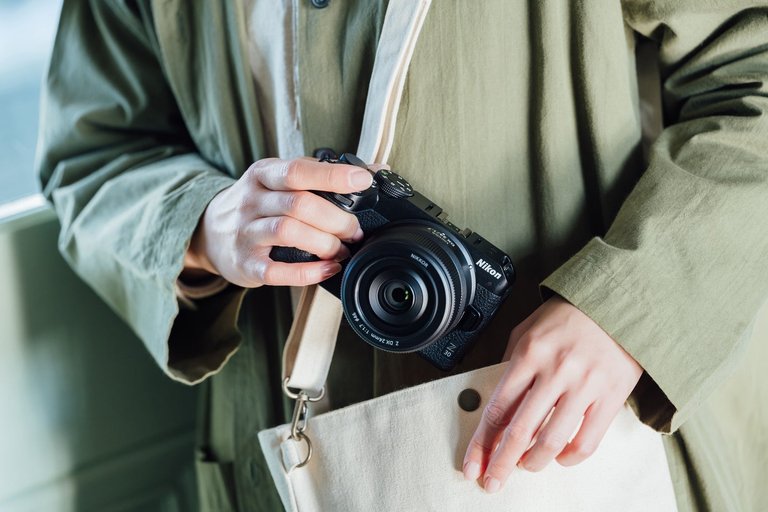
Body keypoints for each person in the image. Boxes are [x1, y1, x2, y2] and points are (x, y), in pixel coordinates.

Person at [37, 1, 768, 511]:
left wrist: (626, 309)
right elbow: (94, 154)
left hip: (580, 440)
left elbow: (754, 75)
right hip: (283, 452)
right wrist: (202, 222)